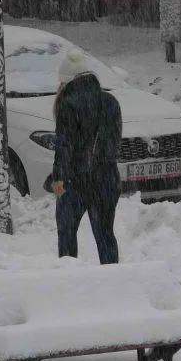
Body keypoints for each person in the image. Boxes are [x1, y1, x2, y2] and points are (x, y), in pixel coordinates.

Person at [51, 49, 122, 265]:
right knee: (105, 235)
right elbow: (114, 142)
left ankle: (69, 279)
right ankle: (112, 280)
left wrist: (59, 178)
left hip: (76, 182)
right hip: (107, 179)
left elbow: (64, 146)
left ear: (65, 81)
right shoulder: (110, 102)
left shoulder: (68, 104)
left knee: (67, 235)